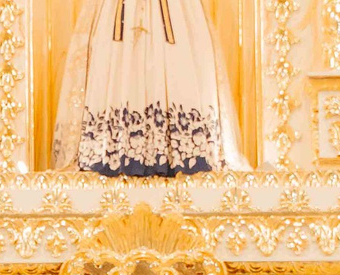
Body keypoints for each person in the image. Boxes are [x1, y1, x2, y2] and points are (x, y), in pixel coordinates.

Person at [51, 0, 237, 177]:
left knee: (178, 65)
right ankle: (115, 148)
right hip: (120, 13)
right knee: (117, 64)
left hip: (173, 13)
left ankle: (176, 150)